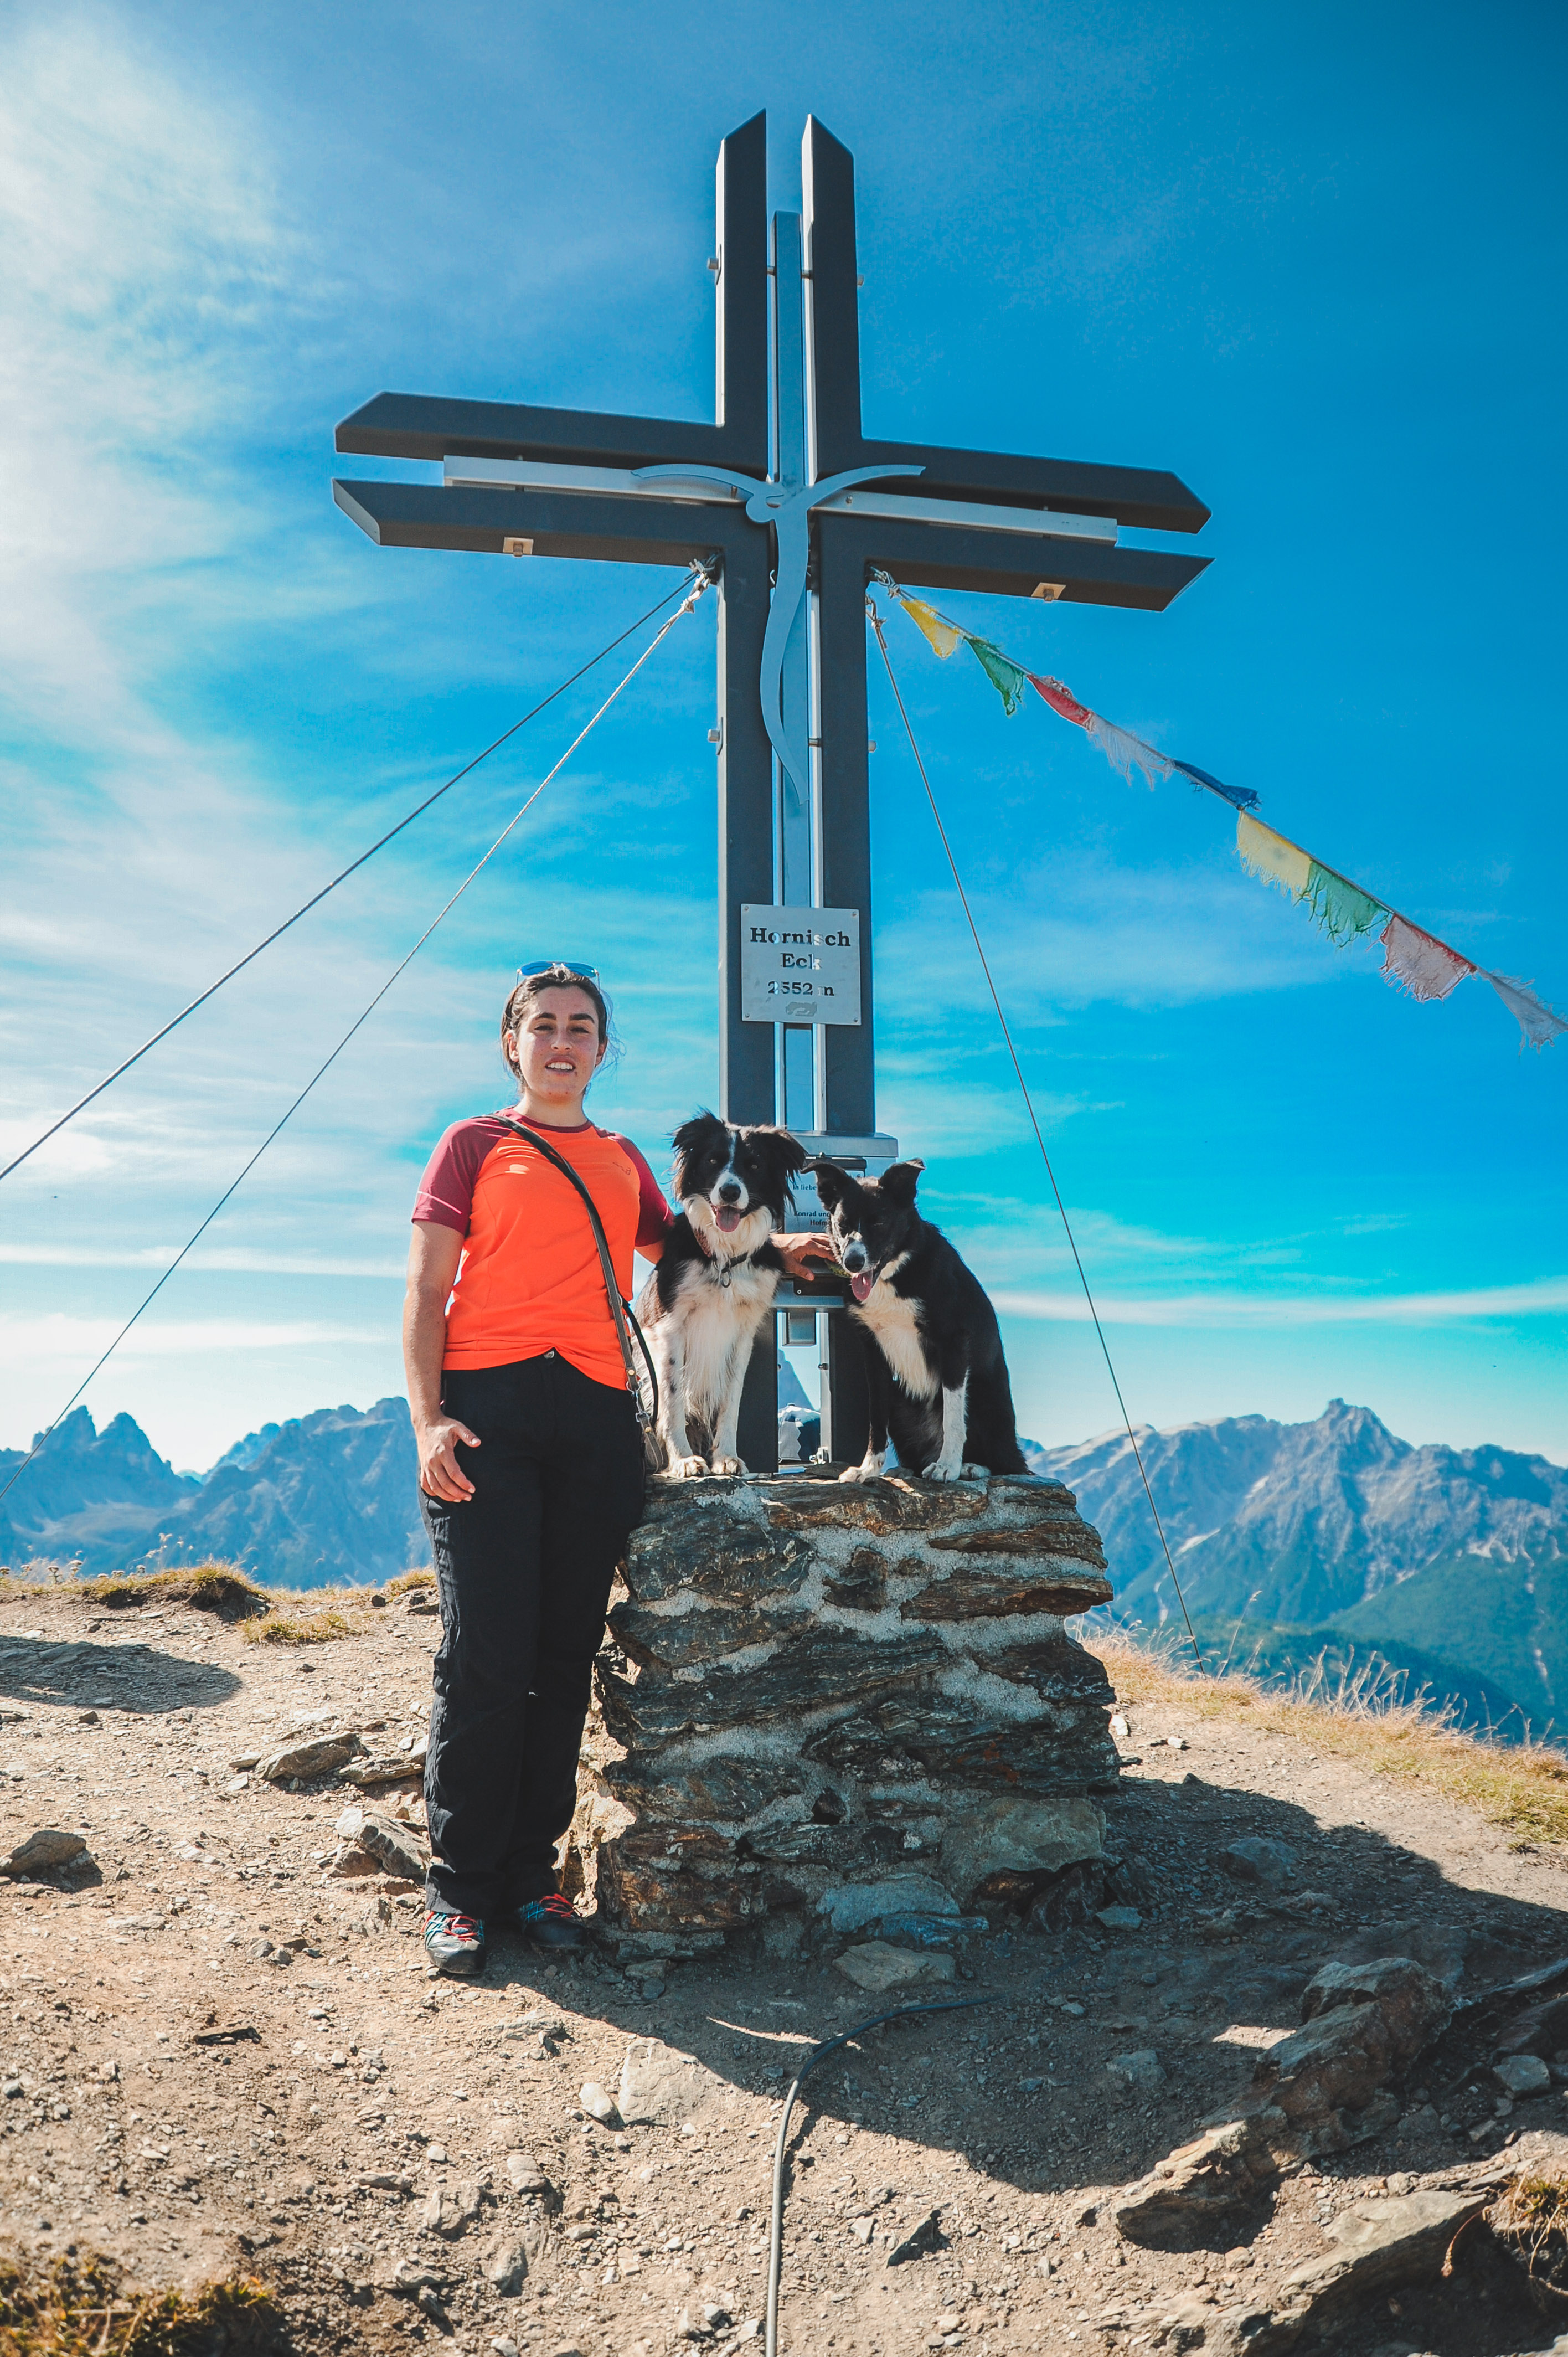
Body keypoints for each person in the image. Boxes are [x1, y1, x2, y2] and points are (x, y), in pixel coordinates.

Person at [403, 962, 823, 1977]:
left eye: (580, 1027)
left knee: (562, 1655)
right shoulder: (472, 1146)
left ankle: (532, 1879)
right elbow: (425, 1290)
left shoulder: (625, 1158)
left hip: (596, 1421)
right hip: (490, 1411)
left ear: (601, 1047)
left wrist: (790, 1239)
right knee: (487, 1654)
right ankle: (461, 1891)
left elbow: (696, 1239)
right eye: (542, 1025)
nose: (561, 1041)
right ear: (513, 1042)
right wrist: (427, 1422)